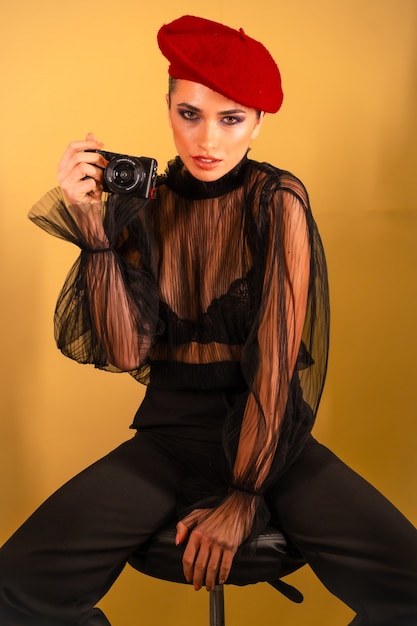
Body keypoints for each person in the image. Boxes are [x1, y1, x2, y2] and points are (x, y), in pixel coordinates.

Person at [0, 14, 416, 626]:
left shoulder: (277, 201)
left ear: (258, 123)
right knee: (15, 591)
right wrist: (93, 229)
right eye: (189, 114)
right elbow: (122, 351)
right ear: (168, 107)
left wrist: (247, 493)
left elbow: (275, 363)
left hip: (273, 442)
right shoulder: (146, 207)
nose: (207, 141)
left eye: (231, 119)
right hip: (169, 439)